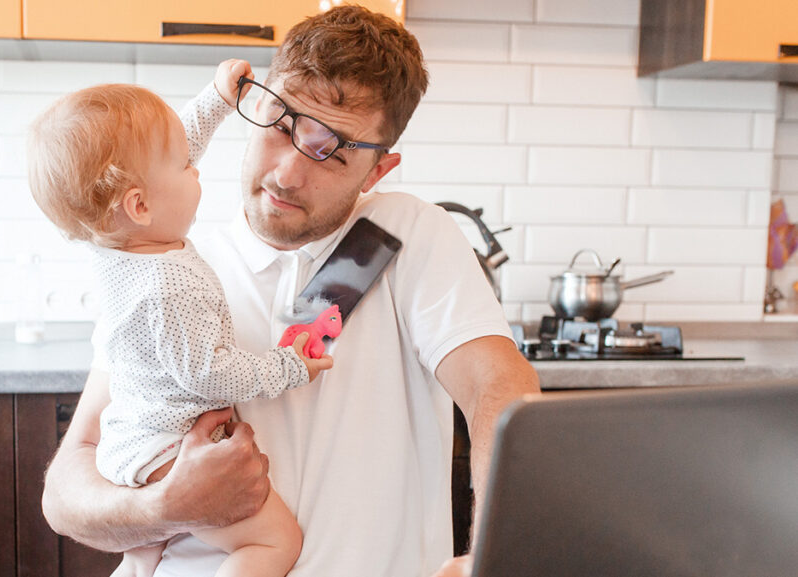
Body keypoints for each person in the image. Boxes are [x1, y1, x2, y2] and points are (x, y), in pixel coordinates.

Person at [41, 6, 540, 577]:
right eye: (282, 125)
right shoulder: (166, 268)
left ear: (377, 172)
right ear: (255, 103)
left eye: (332, 151)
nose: (287, 174)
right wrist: (165, 505)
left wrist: (493, 555)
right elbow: (66, 492)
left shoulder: (403, 235)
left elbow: (497, 388)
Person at [26, 61, 335, 577]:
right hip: (167, 448)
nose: (196, 167)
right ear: (141, 203)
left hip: (126, 441)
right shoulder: (172, 282)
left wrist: (216, 99)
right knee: (273, 543)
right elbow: (208, 372)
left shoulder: (117, 245)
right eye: (184, 166)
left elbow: (175, 145)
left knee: (143, 553)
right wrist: (288, 366)